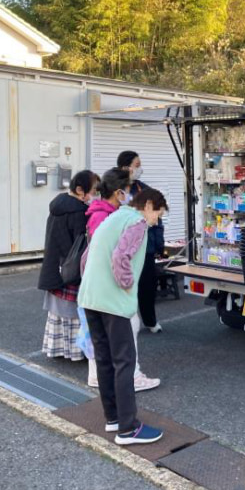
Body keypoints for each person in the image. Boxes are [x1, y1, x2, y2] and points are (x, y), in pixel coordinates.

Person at [78, 188, 168, 445]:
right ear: (149, 205)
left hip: (91, 297)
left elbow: (86, 257)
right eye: (157, 215)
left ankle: (114, 418)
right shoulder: (136, 222)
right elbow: (121, 258)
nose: (155, 221)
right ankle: (129, 429)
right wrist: (127, 286)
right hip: (113, 302)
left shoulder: (112, 217)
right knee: (125, 361)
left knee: (104, 359)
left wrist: (94, 285)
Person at [84, 168, 160, 392]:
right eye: (129, 190)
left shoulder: (103, 212)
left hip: (100, 287)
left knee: (103, 337)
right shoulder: (105, 216)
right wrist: (125, 284)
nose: (132, 195)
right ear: (119, 192)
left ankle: (99, 376)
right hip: (110, 287)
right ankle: (132, 377)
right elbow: (111, 255)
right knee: (127, 330)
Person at [38, 170, 99, 361]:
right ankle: (76, 352)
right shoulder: (79, 212)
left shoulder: (58, 204)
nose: (95, 195)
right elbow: (81, 246)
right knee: (74, 315)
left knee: (57, 315)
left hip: (54, 266)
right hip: (71, 271)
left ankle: (57, 349)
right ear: (81, 190)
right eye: (94, 190)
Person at [117, 151, 164, 334]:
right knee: (123, 285)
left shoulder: (144, 190)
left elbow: (157, 219)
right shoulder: (114, 190)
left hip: (146, 247)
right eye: (137, 165)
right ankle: (123, 322)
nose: (140, 169)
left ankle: (150, 321)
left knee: (147, 286)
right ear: (125, 167)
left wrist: (159, 244)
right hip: (122, 249)